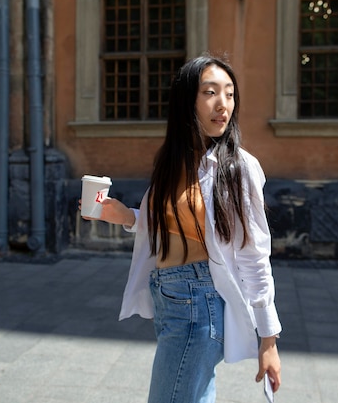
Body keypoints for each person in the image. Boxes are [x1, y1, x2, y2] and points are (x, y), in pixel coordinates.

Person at [82, 54, 282, 403]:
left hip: (199, 306)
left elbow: (254, 256)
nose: (224, 105)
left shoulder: (238, 168)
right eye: (210, 92)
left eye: (230, 94)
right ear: (187, 99)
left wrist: (269, 339)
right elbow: (172, 225)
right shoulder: (173, 160)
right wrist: (123, 215)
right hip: (169, 300)